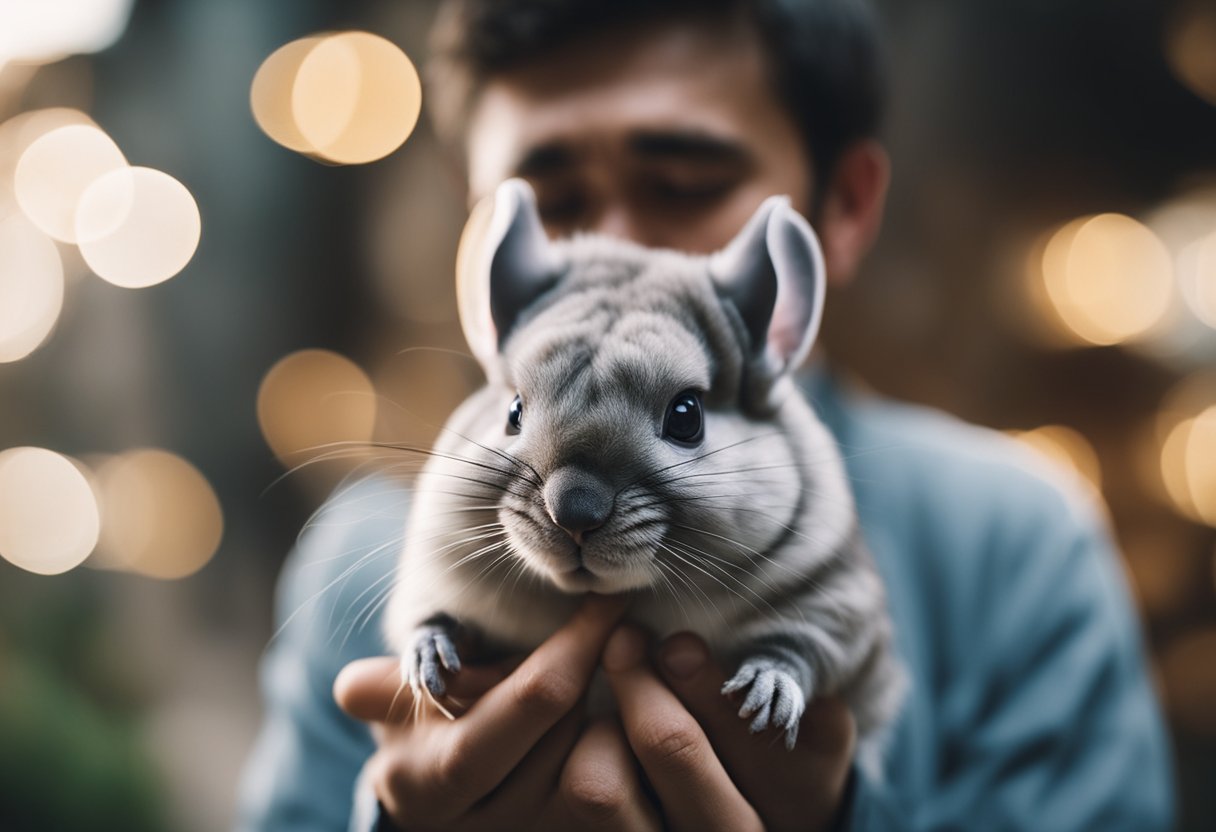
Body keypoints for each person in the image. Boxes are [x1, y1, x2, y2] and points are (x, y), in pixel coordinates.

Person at [237, 1, 1175, 830]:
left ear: (839, 211)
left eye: (685, 187)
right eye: (556, 203)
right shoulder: (358, 561)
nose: (620, 253)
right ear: (482, 240)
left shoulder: (1015, 542)